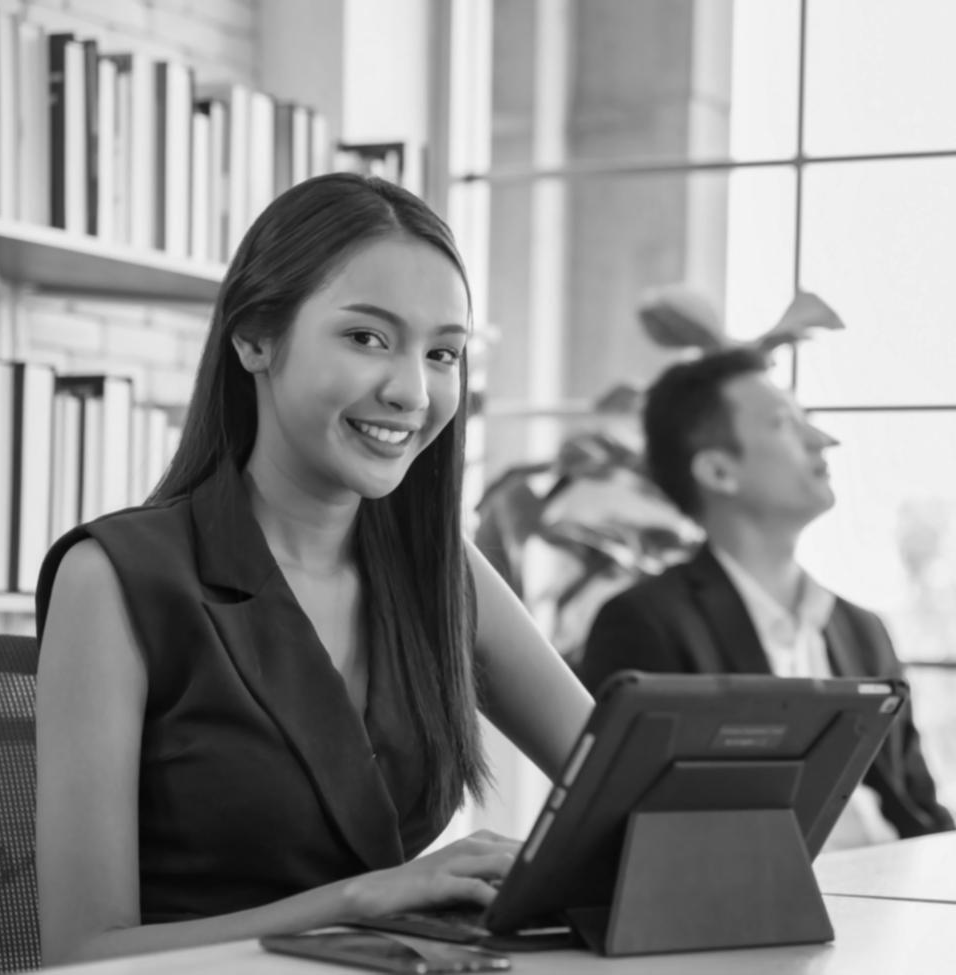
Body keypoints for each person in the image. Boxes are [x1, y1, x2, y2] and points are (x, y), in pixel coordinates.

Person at [33, 173, 594, 965]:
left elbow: (626, 788)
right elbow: (81, 949)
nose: (411, 390)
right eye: (368, 338)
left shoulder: (442, 574)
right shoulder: (117, 577)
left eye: (443, 353)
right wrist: (360, 899)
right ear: (255, 337)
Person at [579, 347, 956, 847]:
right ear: (718, 472)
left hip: (898, 899)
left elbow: (920, 812)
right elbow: (632, 845)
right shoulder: (646, 624)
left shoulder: (863, 631)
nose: (824, 440)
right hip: (758, 914)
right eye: (784, 424)